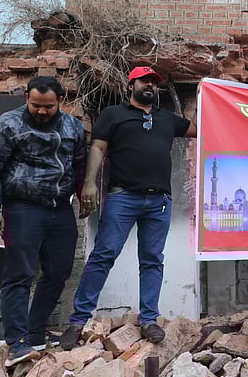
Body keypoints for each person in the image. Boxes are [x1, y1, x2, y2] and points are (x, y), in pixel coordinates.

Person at [61, 67, 196, 349]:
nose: (150, 85)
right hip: (123, 197)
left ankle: (149, 320)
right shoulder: (113, 115)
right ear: (130, 84)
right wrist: (89, 183)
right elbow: (98, 148)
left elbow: (199, 130)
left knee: (152, 260)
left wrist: (205, 95)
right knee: (103, 255)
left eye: (154, 83)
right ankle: (78, 320)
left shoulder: (167, 119)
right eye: (144, 81)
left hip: (159, 202)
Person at [0, 76, 86, 366]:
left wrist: (83, 193)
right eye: (36, 105)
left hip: (60, 208)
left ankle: (36, 331)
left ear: (60, 101)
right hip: (22, 207)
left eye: (48, 106)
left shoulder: (73, 126)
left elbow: (79, 165)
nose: (41, 111)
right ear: (26, 96)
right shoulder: (7, 124)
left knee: (59, 271)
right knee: (19, 274)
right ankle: (17, 341)